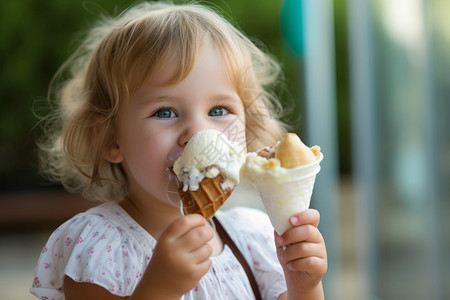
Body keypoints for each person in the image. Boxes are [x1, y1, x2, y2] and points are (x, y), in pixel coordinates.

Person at [31, 1, 327, 299]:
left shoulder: (253, 238)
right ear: (110, 138)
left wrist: (304, 286)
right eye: (165, 112)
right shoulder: (99, 247)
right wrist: (160, 288)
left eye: (219, 109)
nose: (198, 133)